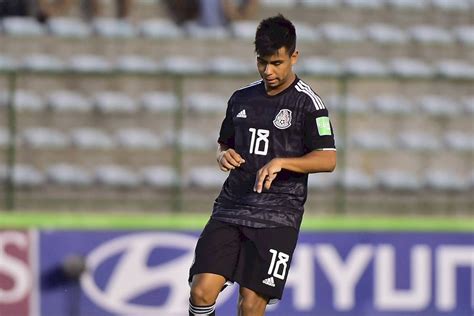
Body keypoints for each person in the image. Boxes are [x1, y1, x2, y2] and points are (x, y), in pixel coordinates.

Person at [188, 14, 336, 316]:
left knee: (251, 304)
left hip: (278, 216)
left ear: (293, 57)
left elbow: (328, 158)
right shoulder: (241, 99)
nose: (268, 71)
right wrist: (222, 155)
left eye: (276, 63)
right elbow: (225, 143)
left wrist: (283, 162)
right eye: (262, 62)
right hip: (232, 206)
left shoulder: (309, 104)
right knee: (201, 292)